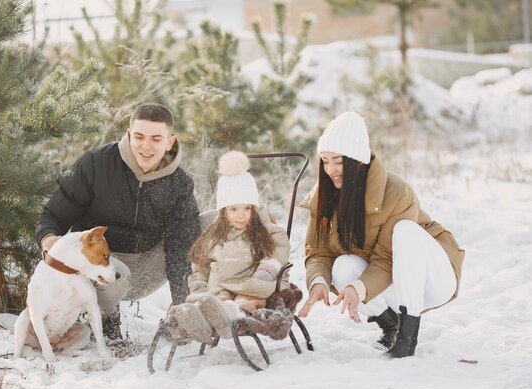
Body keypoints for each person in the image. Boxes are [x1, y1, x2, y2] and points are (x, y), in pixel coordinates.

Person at [297, 111, 465, 358]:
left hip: (433, 278)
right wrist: (318, 281)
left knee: (406, 231)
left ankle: (408, 338)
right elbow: (318, 251)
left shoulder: (396, 192)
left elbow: (386, 259)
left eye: (338, 161)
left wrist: (361, 287)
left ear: (357, 161)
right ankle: (391, 325)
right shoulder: (324, 194)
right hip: (393, 282)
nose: (330, 169)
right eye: (324, 160)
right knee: (343, 267)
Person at [36, 103, 201, 340]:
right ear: (128, 135)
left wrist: (180, 305)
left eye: (156, 139)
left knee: (209, 223)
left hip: (148, 269)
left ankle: (195, 310)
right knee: (115, 271)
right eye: (139, 136)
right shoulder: (95, 164)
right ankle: (106, 319)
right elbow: (54, 216)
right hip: (103, 268)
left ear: (170, 142)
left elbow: (182, 246)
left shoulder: (180, 183)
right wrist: (49, 238)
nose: (146, 146)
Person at [168, 151, 300, 343]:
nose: (241, 215)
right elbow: (200, 264)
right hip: (220, 286)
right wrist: (199, 285)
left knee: (244, 301)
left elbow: (278, 251)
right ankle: (201, 320)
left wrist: (266, 272)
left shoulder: (265, 228)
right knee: (212, 301)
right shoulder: (215, 233)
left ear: (254, 207)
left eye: (247, 208)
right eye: (234, 209)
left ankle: (230, 316)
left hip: (252, 284)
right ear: (223, 210)